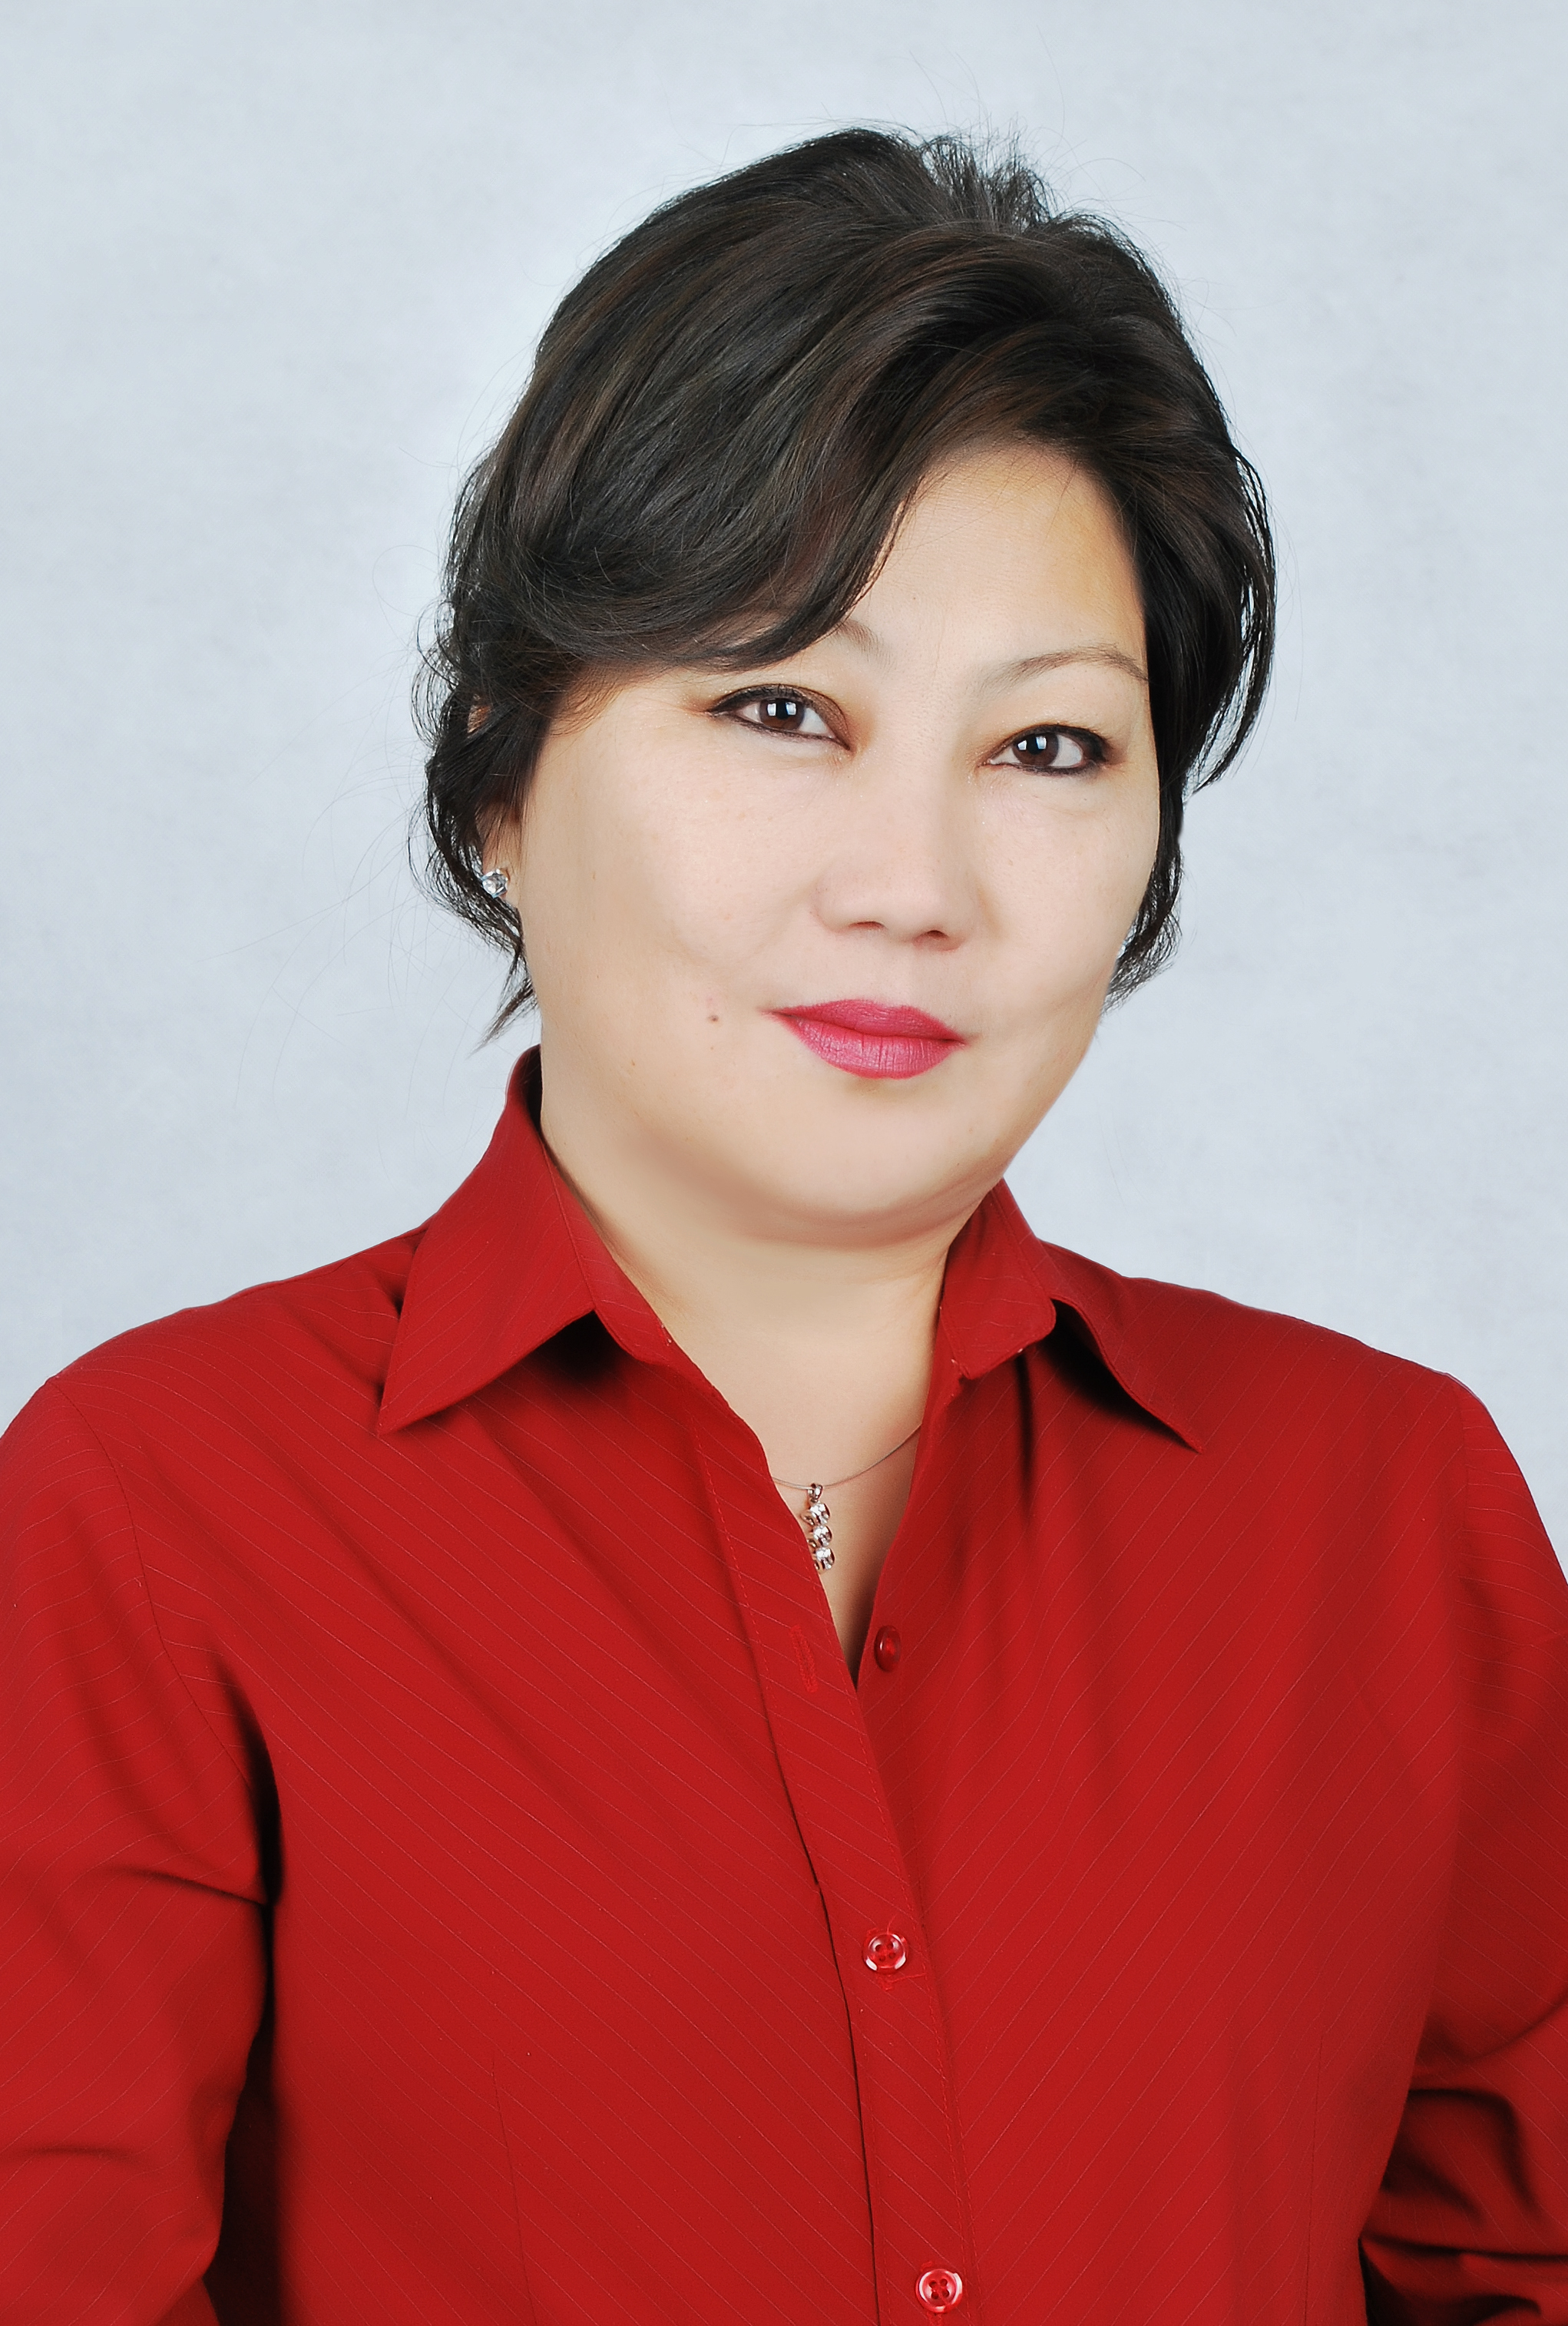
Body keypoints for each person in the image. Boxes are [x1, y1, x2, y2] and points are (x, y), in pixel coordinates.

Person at [2, 126, 1565, 2326]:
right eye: (779, 708)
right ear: (499, 770)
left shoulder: (1388, 1518)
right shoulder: (157, 1516)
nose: (912, 885)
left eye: (1049, 748)